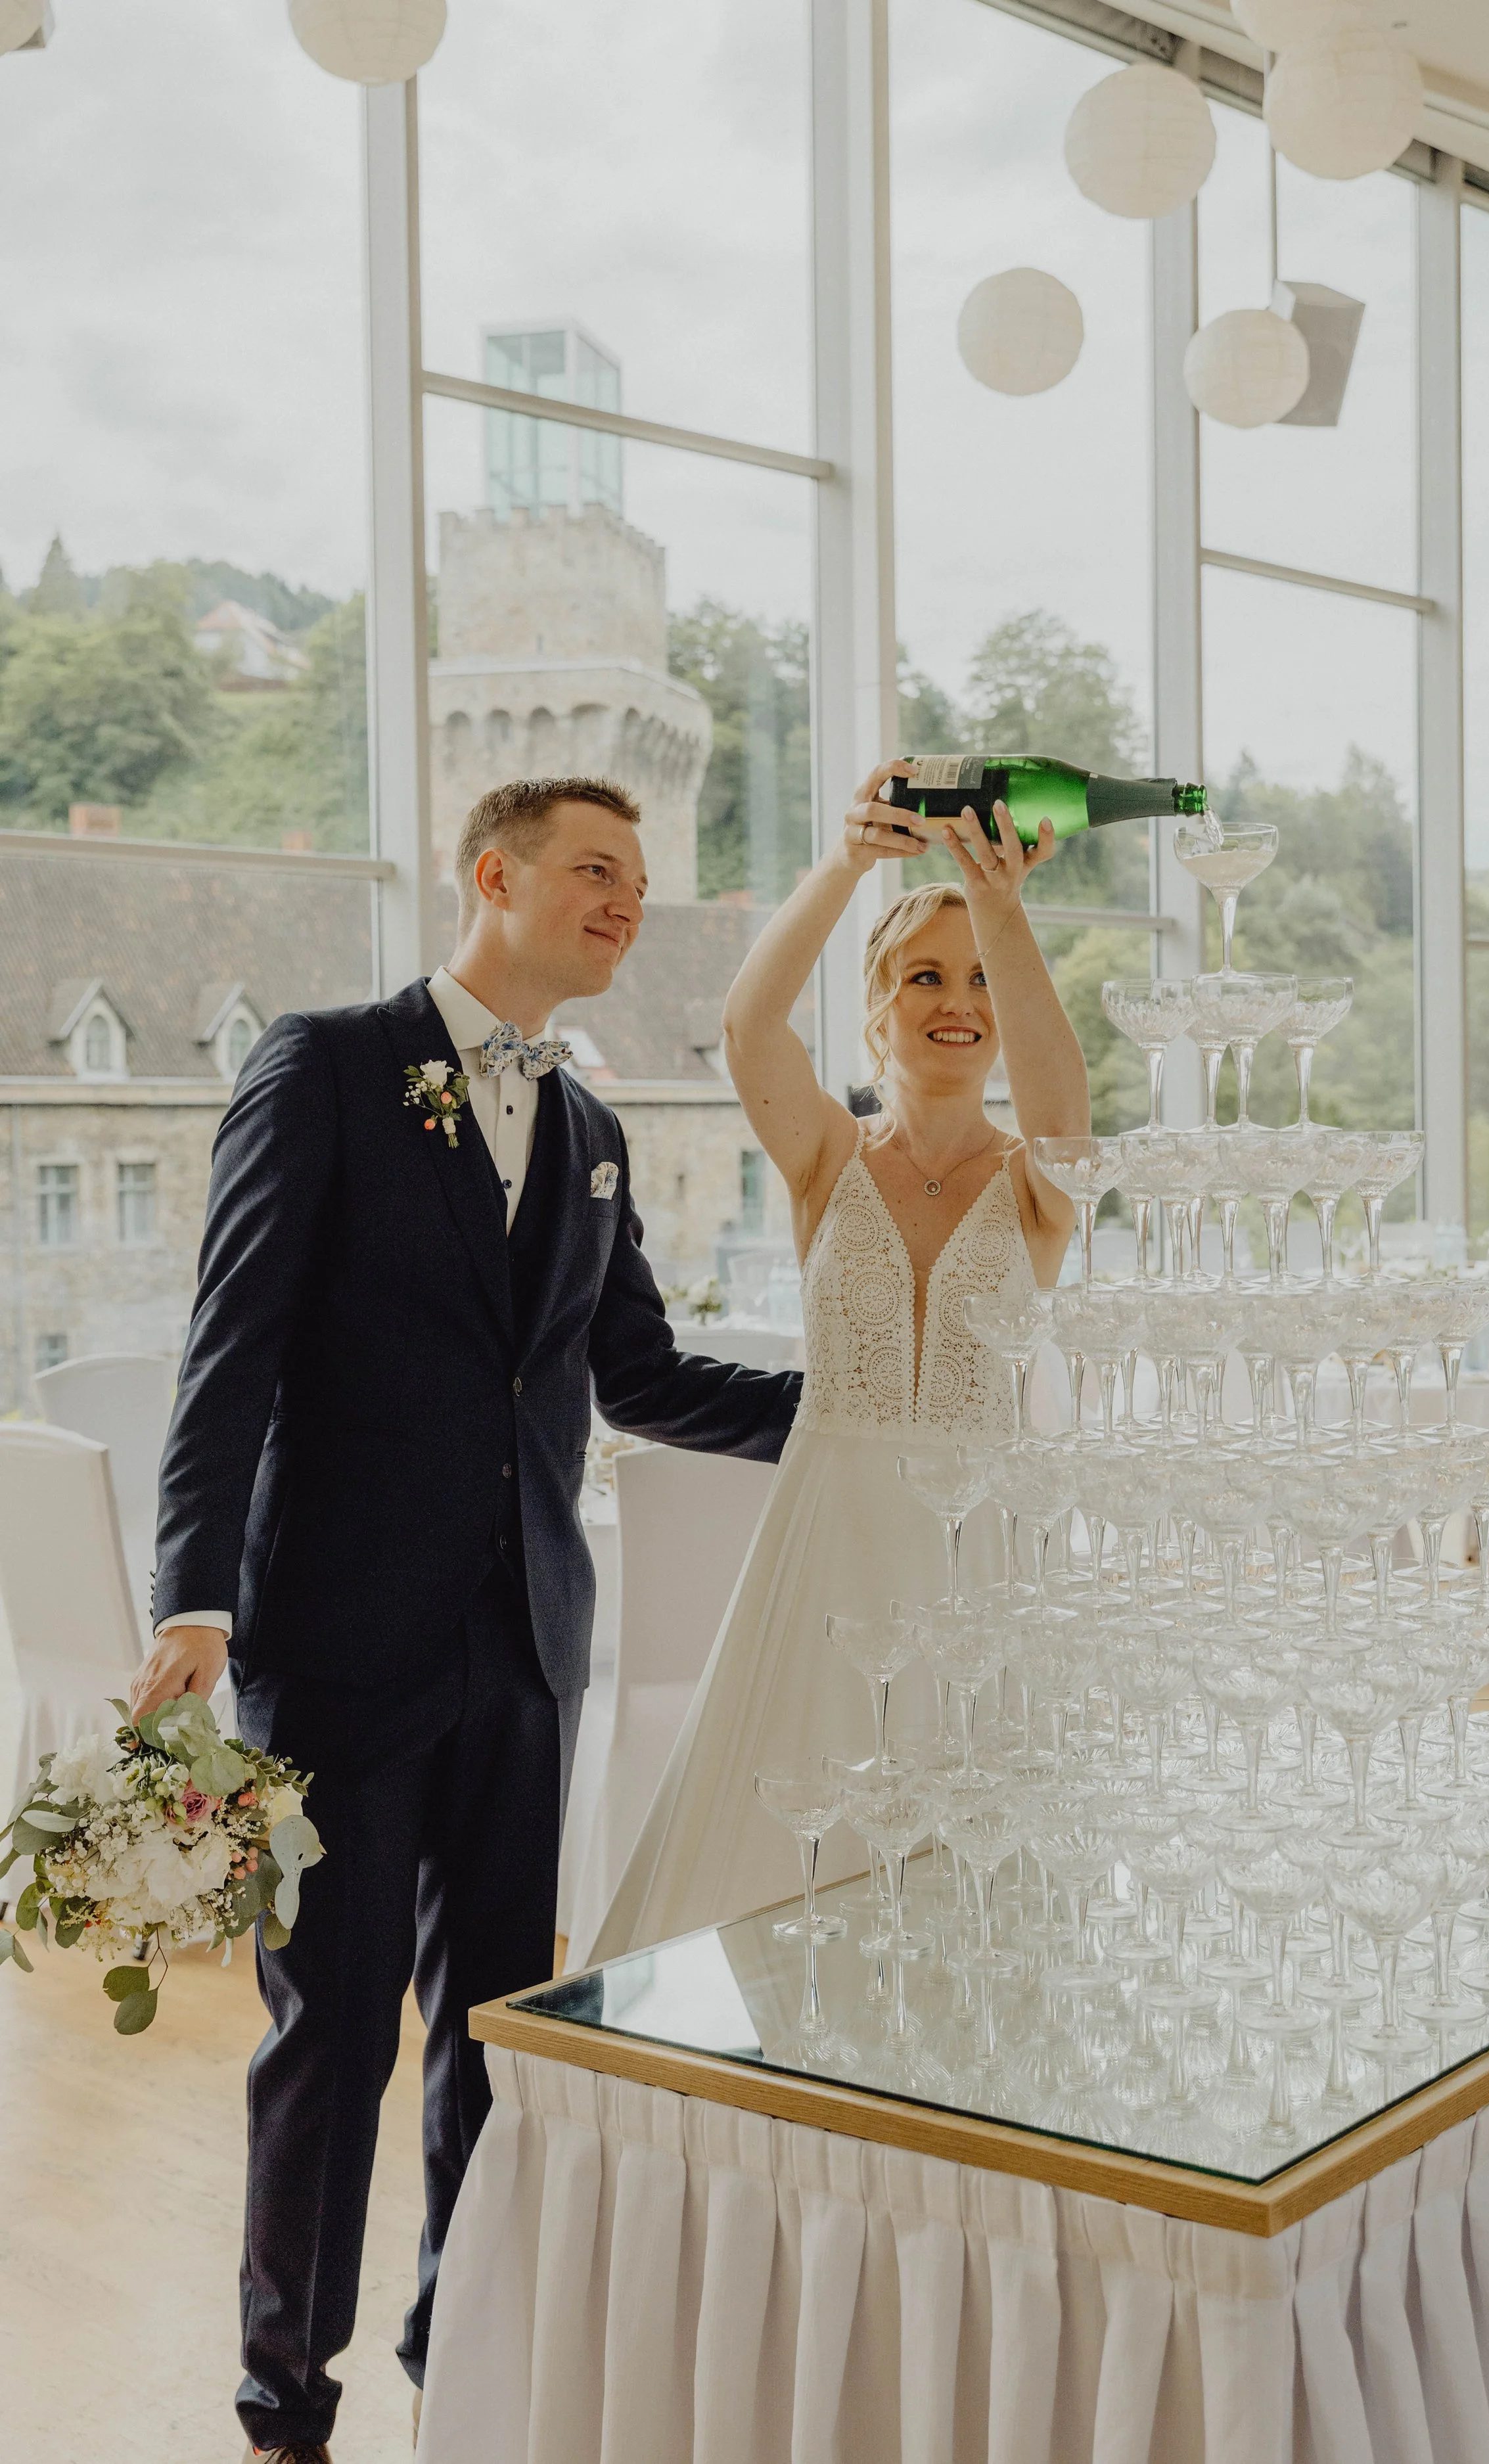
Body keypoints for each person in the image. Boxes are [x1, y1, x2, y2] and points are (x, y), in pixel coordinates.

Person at [127, 777, 800, 2464]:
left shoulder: (590, 1129)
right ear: (491, 875)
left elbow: (635, 1375)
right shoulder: (326, 1066)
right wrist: (195, 1596)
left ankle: (463, 2345)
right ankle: (286, 2397)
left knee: (497, 2032)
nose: (626, 900)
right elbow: (233, 1348)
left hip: (525, 1650)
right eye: (594, 869)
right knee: (334, 2032)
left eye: (638, 879)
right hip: (340, 1643)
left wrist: (852, 1409)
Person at [591, 759, 1088, 1961]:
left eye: (979, 978)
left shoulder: (1039, 1184)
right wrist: (847, 862)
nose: (957, 1001)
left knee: (970, 1865)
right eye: (926, 976)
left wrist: (1003, 911)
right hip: (827, 1552)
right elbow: (749, 1026)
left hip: (980, 1562)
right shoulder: (825, 1156)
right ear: (879, 1006)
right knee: (792, 1843)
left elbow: (1065, 1104)